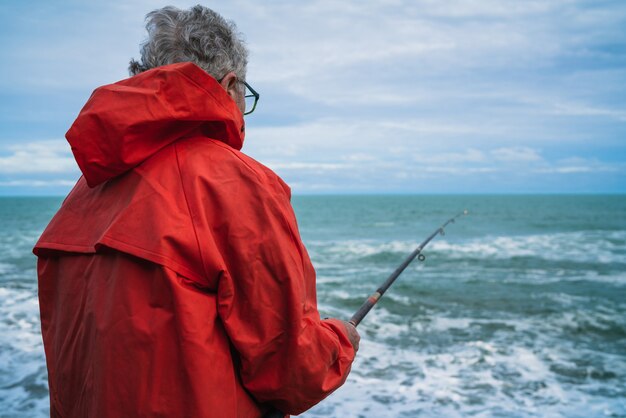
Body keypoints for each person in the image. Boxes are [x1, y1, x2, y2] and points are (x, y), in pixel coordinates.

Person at [33, 5, 359, 418]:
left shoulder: (82, 194)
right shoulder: (234, 184)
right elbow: (291, 369)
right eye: (246, 96)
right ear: (229, 85)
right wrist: (339, 341)